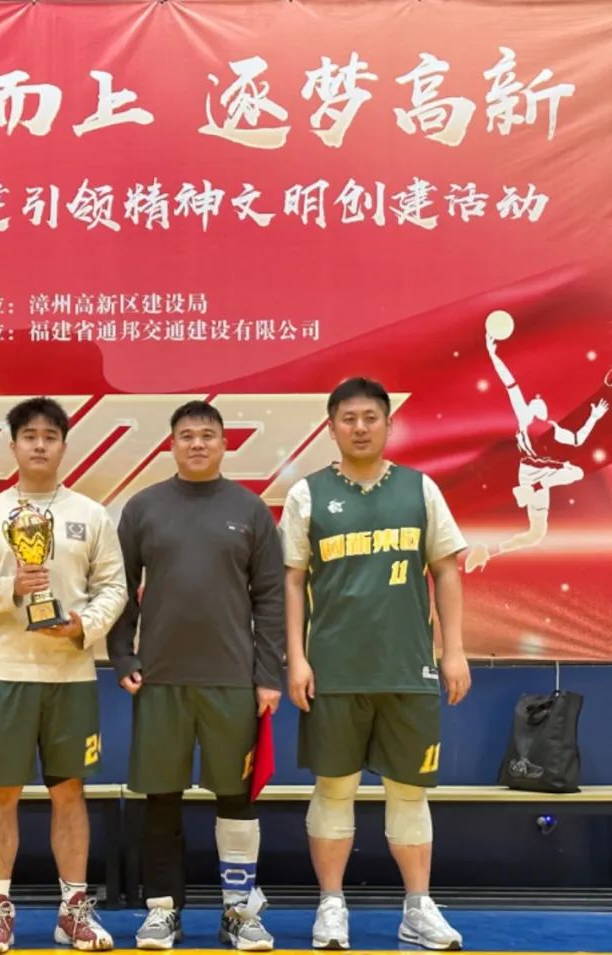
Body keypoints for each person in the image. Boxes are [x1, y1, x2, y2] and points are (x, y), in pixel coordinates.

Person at [280, 377, 471, 951]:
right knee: (333, 790)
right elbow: (291, 580)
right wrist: (296, 657)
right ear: (331, 427)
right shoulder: (308, 494)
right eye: (348, 419)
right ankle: (331, 905)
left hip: (407, 670)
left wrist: (454, 650)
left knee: (409, 792)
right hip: (333, 671)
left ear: (388, 424)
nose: (360, 428)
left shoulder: (420, 489)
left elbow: (447, 570)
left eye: (370, 418)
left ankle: (418, 908)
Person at [0, 397, 127, 953]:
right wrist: (10, 589)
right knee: (1, 791)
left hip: (71, 673)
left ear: (64, 446)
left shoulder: (91, 515)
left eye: (50, 436)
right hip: (4, 672)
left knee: (69, 791)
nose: (40, 444)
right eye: (30, 436)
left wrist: (82, 625)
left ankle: (73, 910)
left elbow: (114, 587)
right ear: (14, 446)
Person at [108, 400, 285, 952]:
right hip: (160, 679)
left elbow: (271, 597)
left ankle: (239, 912)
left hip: (233, 680)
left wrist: (269, 674)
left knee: (236, 798)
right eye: (187, 435)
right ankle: (163, 911)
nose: (198, 444)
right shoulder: (143, 508)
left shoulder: (250, 510)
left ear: (225, 444)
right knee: (161, 798)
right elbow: (120, 588)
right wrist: (122, 656)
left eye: (208, 435)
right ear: (171, 445)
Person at [465, 330, 608, 572]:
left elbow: (578, 440)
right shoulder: (524, 415)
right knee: (574, 472)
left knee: (536, 534)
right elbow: (509, 383)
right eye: (535, 400)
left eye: (540, 400)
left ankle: (487, 551)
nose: (538, 399)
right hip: (532, 473)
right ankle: (534, 489)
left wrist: (593, 417)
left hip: (539, 475)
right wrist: (493, 355)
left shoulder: (553, 428)